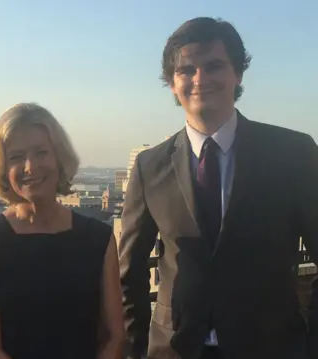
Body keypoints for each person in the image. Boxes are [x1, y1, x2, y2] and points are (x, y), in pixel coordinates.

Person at [118, 17, 318, 359]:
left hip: (273, 348)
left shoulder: (294, 154)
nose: (200, 80)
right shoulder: (149, 166)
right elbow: (129, 274)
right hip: (175, 351)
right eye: (187, 70)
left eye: (214, 66)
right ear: (172, 82)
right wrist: (137, 350)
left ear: (237, 74)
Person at [0, 103, 124, 359]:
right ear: (2, 168)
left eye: (41, 152)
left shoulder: (99, 239)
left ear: (59, 158)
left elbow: (114, 335)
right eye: (16, 157)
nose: (30, 166)